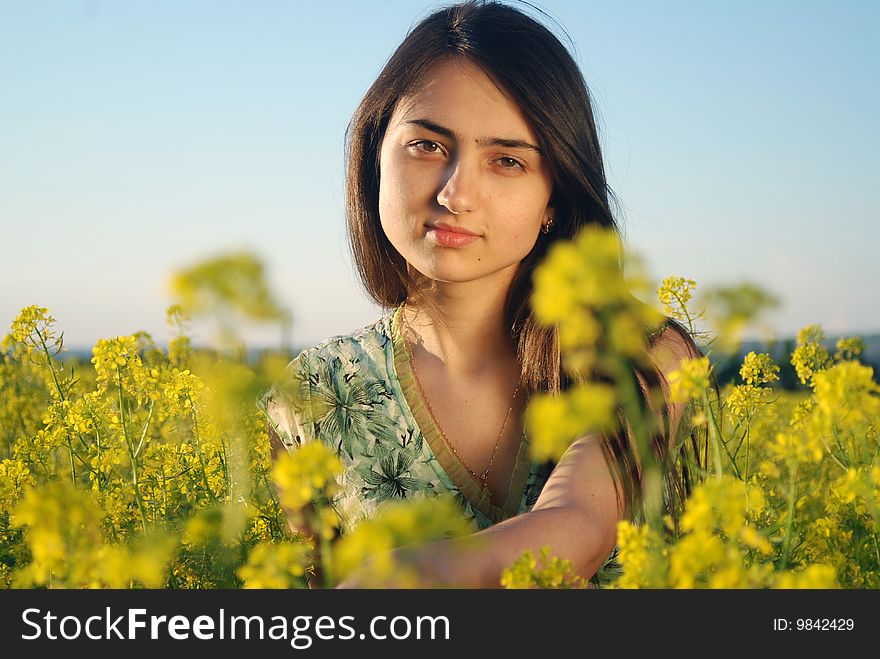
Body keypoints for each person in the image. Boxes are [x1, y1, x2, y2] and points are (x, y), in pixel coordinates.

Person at [258, 0, 705, 588]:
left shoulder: (643, 355)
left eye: (507, 161)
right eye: (428, 146)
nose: (456, 193)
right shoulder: (312, 395)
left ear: (554, 198)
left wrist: (400, 577)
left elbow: (579, 528)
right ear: (374, 160)